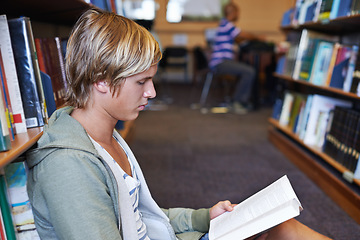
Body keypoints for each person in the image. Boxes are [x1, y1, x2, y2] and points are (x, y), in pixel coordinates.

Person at [25, 8, 331, 240]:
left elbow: (141, 217)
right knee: (280, 232)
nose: (152, 92)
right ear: (101, 81)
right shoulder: (67, 164)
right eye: (141, 81)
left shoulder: (106, 136)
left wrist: (204, 218)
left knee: (279, 225)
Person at [209, 2, 260, 114]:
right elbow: (242, 35)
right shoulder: (227, 24)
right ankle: (238, 102)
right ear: (233, 13)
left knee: (246, 70)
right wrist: (258, 37)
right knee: (249, 71)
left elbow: (237, 38)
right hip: (220, 63)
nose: (238, 15)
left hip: (222, 61)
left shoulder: (223, 24)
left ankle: (240, 100)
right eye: (237, 12)